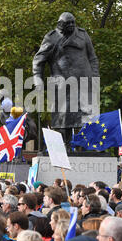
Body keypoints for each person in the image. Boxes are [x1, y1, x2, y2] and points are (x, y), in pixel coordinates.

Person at [32, 12, 100, 144]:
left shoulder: (83, 34)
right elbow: (38, 60)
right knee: (63, 119)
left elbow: (93, 58)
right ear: (60, 24)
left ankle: (88, 147)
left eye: (73, 22)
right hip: (62, 83)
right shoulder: (51, 38)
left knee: (87, 117)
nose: (71, 25)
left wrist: (95, 77)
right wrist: (37, 80)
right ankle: (64, 147)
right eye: (67, 23)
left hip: (84, 81)